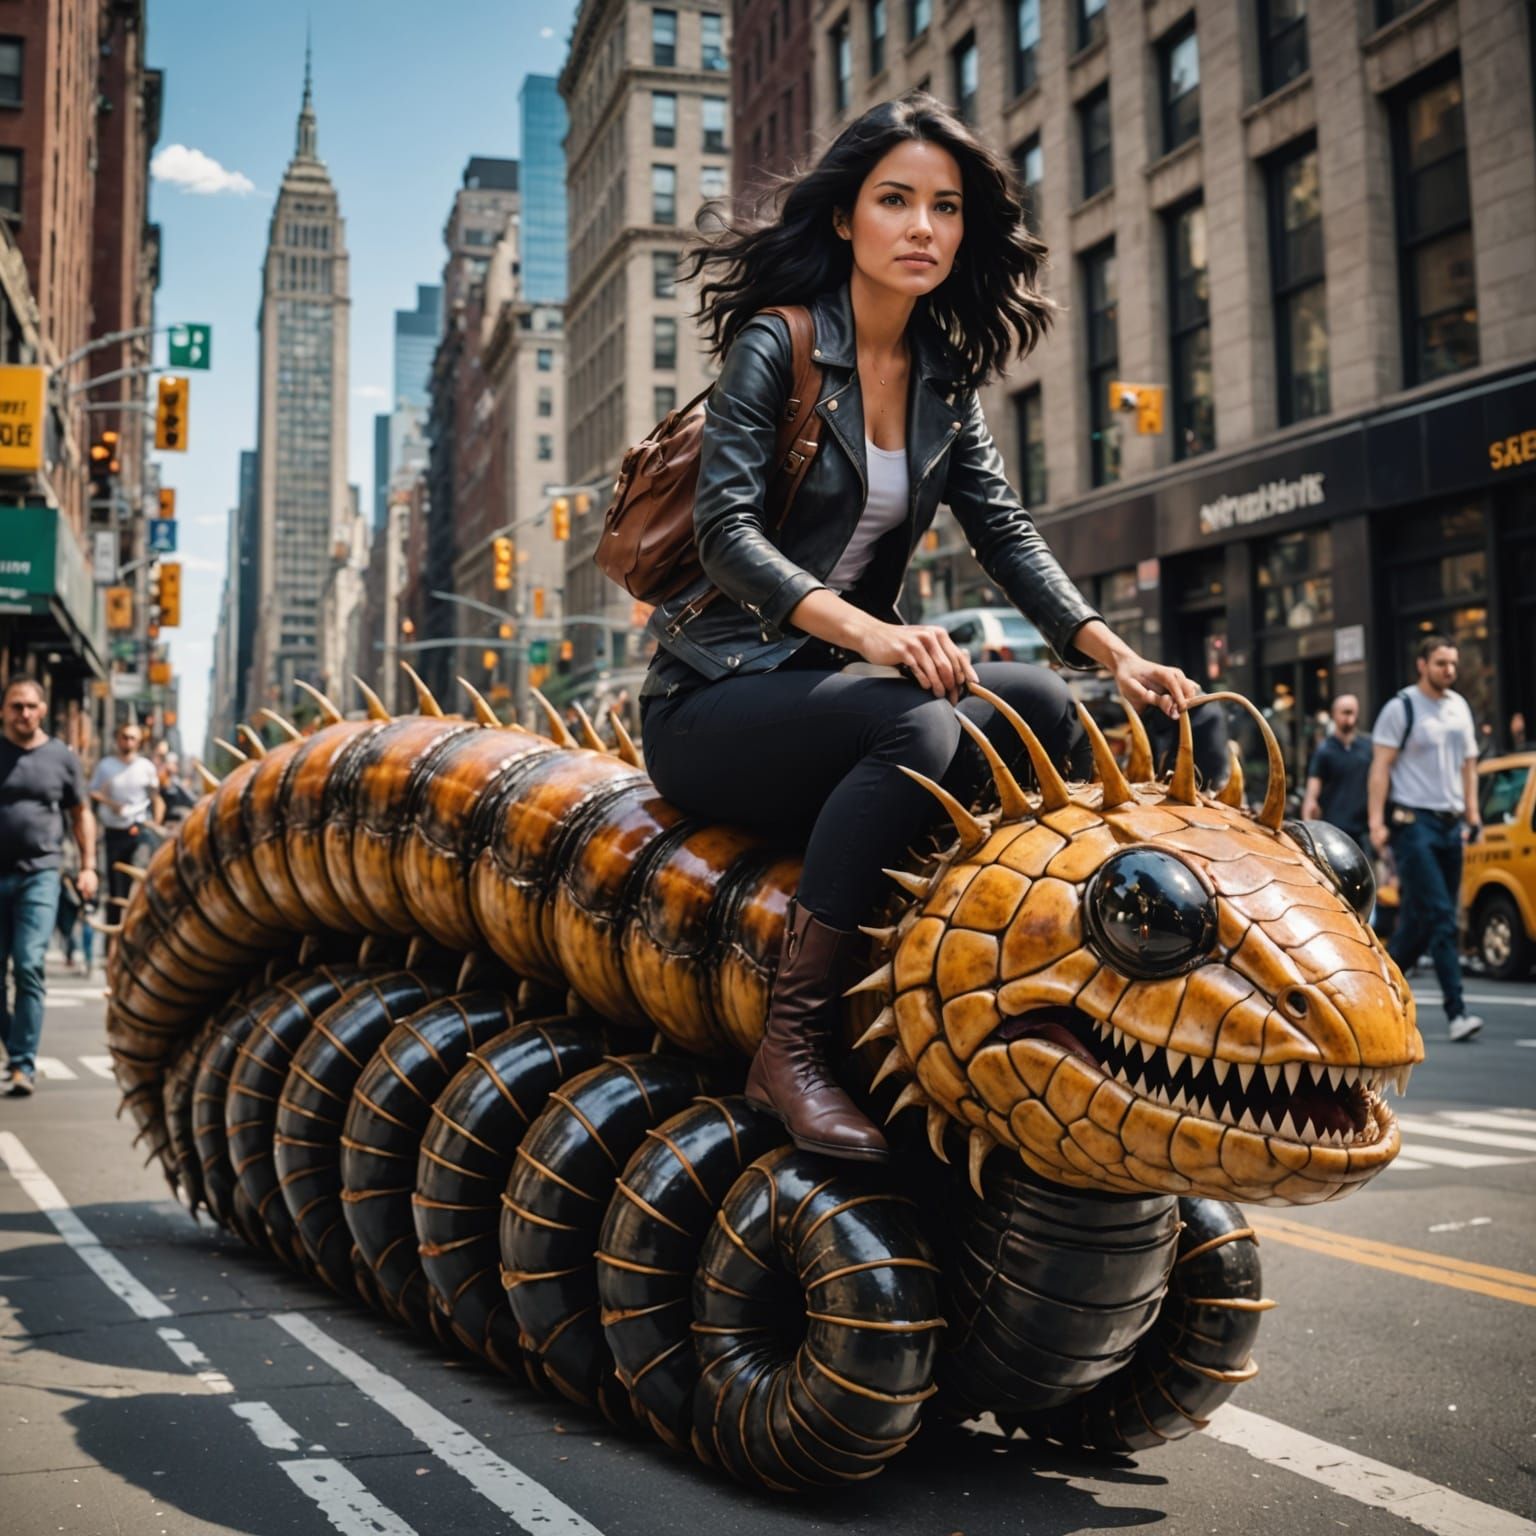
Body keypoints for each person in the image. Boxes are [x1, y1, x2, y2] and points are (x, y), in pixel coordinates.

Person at [639, 95, 1198, 1162]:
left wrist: (1113, 652)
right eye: (895, 201)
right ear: (846, 217)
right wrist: (873, 635)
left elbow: (1007, 535)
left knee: (1039, 701)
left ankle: (994, 969)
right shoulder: (779, 344)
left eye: (944, 207)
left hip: (830, 690)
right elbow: (726, 538)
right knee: (925, 729)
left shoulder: (943, 373)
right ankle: (792, 1047)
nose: (923, 228)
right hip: (716, 697)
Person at [1368, 636, 1483, 1042]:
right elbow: (1380, 768)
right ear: (1422, 665)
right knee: (1441, 916)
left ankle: (1373, 995)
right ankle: (1458, 1012)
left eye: (1452, 663)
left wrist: (1473, 813)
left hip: (1451, 825)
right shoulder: (1401, 708)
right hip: (1413, 825)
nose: (1448, 671)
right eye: (1440, 663)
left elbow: (1469, 765)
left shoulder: (1459, 708)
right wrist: (1377, 822)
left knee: (1417, 924)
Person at [0, 677, 98, 1095]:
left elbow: (81, 813)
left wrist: (89, 866)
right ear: (3, 710)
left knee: (28, 963)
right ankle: (15, 1046)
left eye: (31, 706)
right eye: (16, 706)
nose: (24, 713)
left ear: (42, 710)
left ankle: (22, 1063)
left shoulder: (61, 757)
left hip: (40, 874)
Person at [88, 720, 163, 915]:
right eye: (125, 737)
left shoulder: (145, 767)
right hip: (114, 831)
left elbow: (155, 797)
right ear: (117, 739)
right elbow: (93, 792)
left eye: (133, 738)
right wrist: (112, 804)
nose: (128, 742)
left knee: (139, 878)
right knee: (116, 887)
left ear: (139, 742)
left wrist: (156, 823)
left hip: (138, 829)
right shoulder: (106, 766)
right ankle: (113, 935)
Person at [1301, 695, 1372, 856]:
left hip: (1363, 829)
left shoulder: (1367, 747)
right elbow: (1313, 788)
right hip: (1335, 829)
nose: (1350, 718)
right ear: (1334, 714)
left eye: (1353, 713)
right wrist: (1309, 816)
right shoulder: (1325, 750)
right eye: (1345, 713)